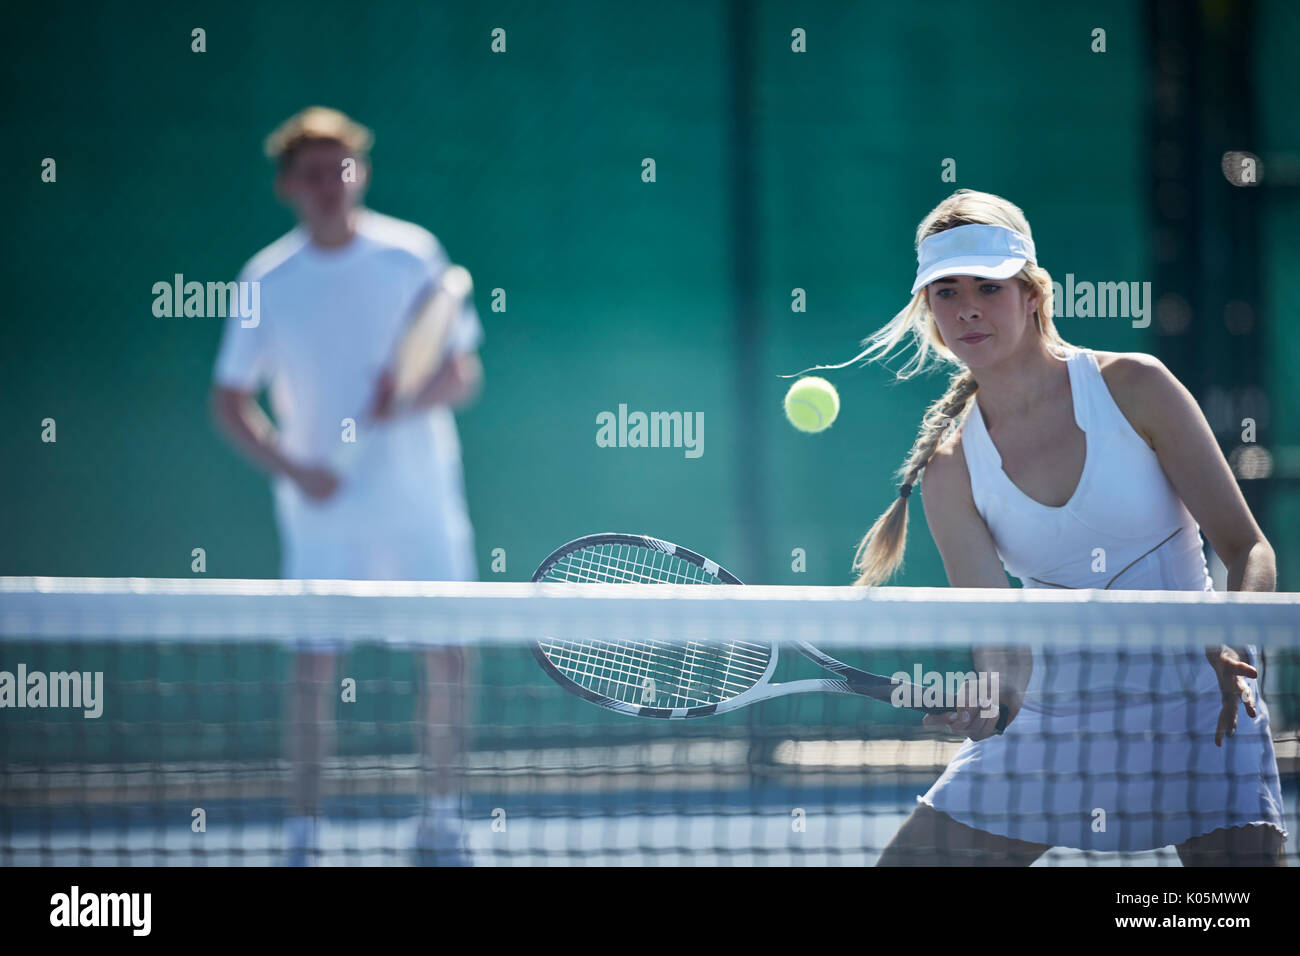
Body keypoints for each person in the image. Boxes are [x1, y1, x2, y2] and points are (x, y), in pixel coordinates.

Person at [849, 189, 1286, 865]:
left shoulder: (1137, 387)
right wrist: (989, 696)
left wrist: (1235, 636)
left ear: (1032, 295)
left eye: (988, 287)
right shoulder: (948, 471)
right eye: (945, 291)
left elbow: (1246, 545)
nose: (966, 306)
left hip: (1204, 713)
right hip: (1053, 730)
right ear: (929, 312)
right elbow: (1003, 648)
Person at [209, 107, 483, 865]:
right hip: (320, 512)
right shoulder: (268, 278)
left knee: (449, 655)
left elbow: (460, 373)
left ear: (359, 173)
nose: (330, 184)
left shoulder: (412, 255)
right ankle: (302, 833)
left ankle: (442, 818)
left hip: (420, 501)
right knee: (313, 666)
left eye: (342, 168)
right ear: (286, 186)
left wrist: (407, 399)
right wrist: (297, 470)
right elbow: (230, 401)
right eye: (313, 173)